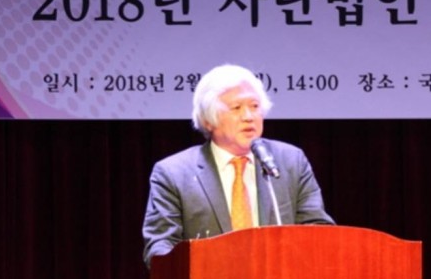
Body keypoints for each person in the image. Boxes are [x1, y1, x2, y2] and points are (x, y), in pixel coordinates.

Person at [142, 64, 335, 267]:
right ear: (208, 120)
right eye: (236, 108)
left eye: (255, 106)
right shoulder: (173, 173)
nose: (249, 117)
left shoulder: (290, 161)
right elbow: (160, 247)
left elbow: (318, 230)